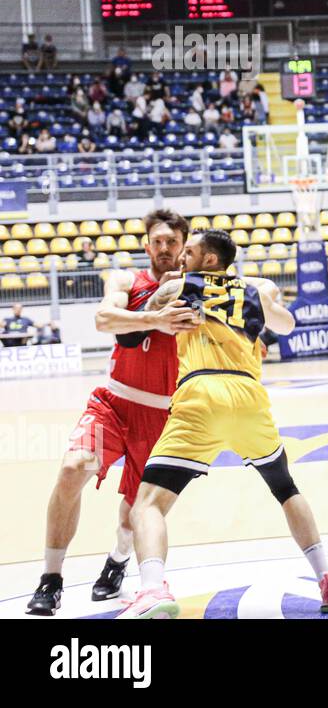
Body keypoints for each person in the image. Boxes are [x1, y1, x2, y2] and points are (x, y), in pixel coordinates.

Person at [118, 228, 328, 618]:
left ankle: (153, 588)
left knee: (148, 505)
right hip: (249, 398)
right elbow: (288, 326)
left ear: (210, 260)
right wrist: (256, 290)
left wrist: (159, 312)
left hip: (200, 395)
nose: (180, 258)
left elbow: (133, 329)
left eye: (188, 252)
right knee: (285, 487)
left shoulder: (177, 289)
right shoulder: (255, 291)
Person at [24, 210, 196, 616]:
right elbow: (104, 318)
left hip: (165, 416)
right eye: (158, 241)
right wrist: (155, 317)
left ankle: (117, 562)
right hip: (114, 403)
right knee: (72, 468)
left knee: (135, 511)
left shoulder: (198, 287)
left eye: (172, 242)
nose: (165, 248)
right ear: (147, 244)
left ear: (185, 245)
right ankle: (51, 579)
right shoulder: (124, 280)